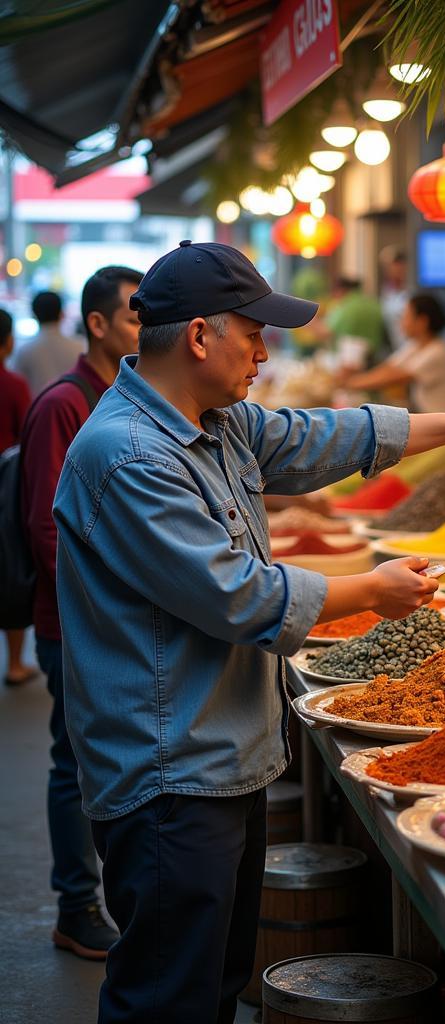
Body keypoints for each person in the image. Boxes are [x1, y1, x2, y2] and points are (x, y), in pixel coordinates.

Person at [52, 240, 445, 1023]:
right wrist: (373, 589)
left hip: (225, 755)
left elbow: (323, 435)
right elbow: (236, 595)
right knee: (165, 999)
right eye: (253, 333)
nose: (264, 352)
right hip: (169, 773)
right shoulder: (128, 456)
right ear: (197, 337)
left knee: (213, 985)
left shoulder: (215, 424)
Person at [21, 265, 143, 960]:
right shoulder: (65, 405)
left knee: (105, 765)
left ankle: (108, 898)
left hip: (114, 623)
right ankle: (76, 904)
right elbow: (48, 531)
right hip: (74, 626)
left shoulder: (124, 398)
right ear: (96, 324)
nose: (141, 331)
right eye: (131, 318)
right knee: (74, 765)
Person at [339, 293, 445, 414]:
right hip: (429, 415)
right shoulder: (415, 346)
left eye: (406, 317)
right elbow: (388, 367)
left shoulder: (439, 351)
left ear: (422, 321)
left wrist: (349, 383)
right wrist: (353, 379)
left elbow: (394, 377)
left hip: (443, 420)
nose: (401, 323)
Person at [0, 306, 36, 687]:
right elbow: (24, 435)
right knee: (7, 566)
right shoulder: (12, 384)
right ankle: (13, 663)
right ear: (8, 342)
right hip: (4, 487)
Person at [11, 289, 85, 396]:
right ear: (62, 313)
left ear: (34, 315)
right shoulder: (80, 347)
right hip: (77, 409)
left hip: (38, 410)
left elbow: (17, 389)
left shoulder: (24, 351)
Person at [316, 275, 387, 362]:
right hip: (375, 357)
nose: (333, 297)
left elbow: (325, 332)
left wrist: (305, 317)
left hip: (350, 362)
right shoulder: (373, 303)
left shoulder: (345, 307)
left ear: (341, 290)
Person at [379, 244, 408, 350]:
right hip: (395, 347)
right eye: (387, 266)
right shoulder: (386, 291)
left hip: (412, 347)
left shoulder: (412, 290)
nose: (392, 269)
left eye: (396, 265)